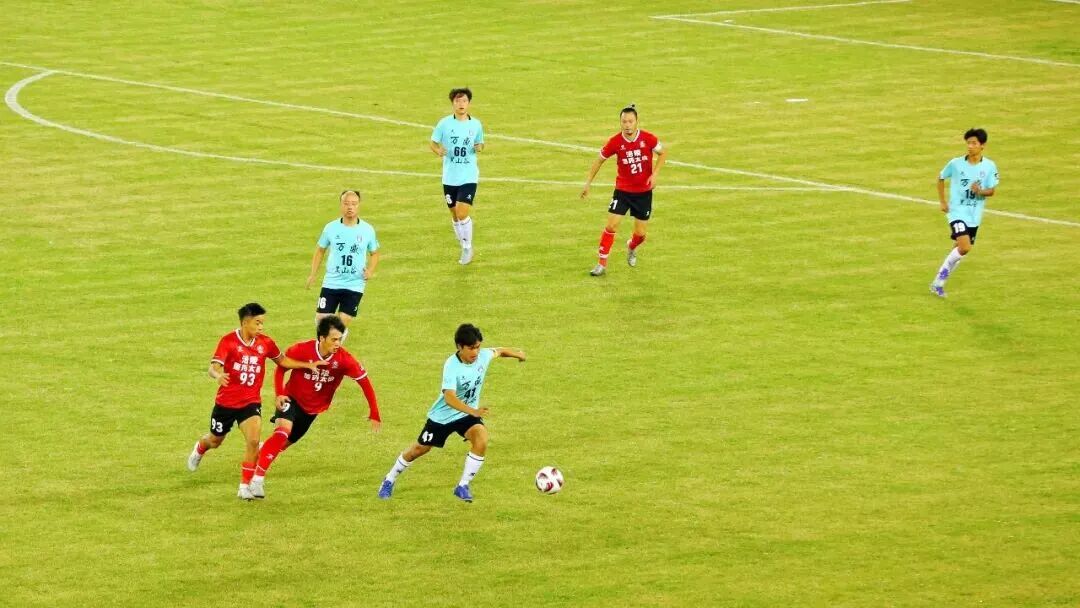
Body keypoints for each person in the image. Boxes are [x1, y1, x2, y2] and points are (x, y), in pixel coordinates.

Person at [186, 303, 325, 500]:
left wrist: (307, 365)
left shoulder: (265, 343)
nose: (261, 327)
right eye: (257, 323)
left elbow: (282, 361)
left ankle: (244, 487)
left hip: (250, 403)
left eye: (262, 323)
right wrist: (218, 376)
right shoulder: (228, 341)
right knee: (215, 440)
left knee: (253, 441)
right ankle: (200, 448)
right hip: (226, 403)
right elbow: (213, 367)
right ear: (245, 322)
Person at [378, 323, 525, 502]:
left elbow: (499, 351)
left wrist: (517, 354)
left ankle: (462, 486)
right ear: (459, 347)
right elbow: (449, 398)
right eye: (471, 348)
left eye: (478, 347)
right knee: (419, 449)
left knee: (481, 439)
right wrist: (473, 411)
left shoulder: (482, 356)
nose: (475, 352)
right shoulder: (452, 365)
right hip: (443, 417)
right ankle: (389, 479)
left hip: (466, 416)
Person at [247, 315, 381, 499]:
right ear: (322, 338)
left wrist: (374, 412)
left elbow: (365, 382)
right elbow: (281, 369)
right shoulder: (301, 350)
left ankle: (261, 451)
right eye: (334, 339)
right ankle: (257, 481)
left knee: (281, 445)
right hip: (291, 399)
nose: (337, 343)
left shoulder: (344, 359)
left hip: (311, 411)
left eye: (340, 339)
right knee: (281, 433)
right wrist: (279, 393)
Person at [580, 104, 667, 276]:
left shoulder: (648, 138)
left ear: (636, 122)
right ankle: (601, 264)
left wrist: (655, 174)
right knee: (611, 225)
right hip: (623, 191)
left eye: (630, 121)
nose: (627, 125)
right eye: (624, 122)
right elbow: (599, 160)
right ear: (620, 122)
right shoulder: (615, 142)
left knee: (640, 234)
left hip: (643, 193)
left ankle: (631, 246)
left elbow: (663, 153)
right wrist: (588, 183)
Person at [930, 128, 999, 298]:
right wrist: (943, 201)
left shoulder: (989, 166)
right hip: (956, 212)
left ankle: (938, 283)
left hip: (974, 216)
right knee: (965, 247)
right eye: (968, 143)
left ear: (982, 145)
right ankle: (938, 281)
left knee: (959, 250)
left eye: (974, 143)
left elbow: (991, 191)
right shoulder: (956, 163)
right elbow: (941, 178)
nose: (970, 146)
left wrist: (980, 191)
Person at [306, 190, 380, 341]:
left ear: (359, 205)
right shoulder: (330, 228)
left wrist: (370, 271)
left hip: (354, 285)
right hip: (332, 282)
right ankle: (325, 348)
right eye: (346, 203)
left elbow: (375, 253)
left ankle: (335, 347)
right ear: (341, 205)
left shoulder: (367, 230)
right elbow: (320, 250)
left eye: (354, 204)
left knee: (339, 325)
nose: (350, 207)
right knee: (321, 321)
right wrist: (313, 274)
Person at [430, 87, 485, 265]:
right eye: (457, 101)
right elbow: (433, 142)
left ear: (469, 103)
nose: (461, 104)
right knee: (454, 215)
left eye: (464, 101)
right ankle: (463, 243)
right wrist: (438, 150)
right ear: (453, 103)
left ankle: (467, 247)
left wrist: (479, 147)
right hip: (449, 177)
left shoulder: (476, 124)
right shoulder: (444, 124)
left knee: (462, 213)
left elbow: (480, 143)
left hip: (469, 176)